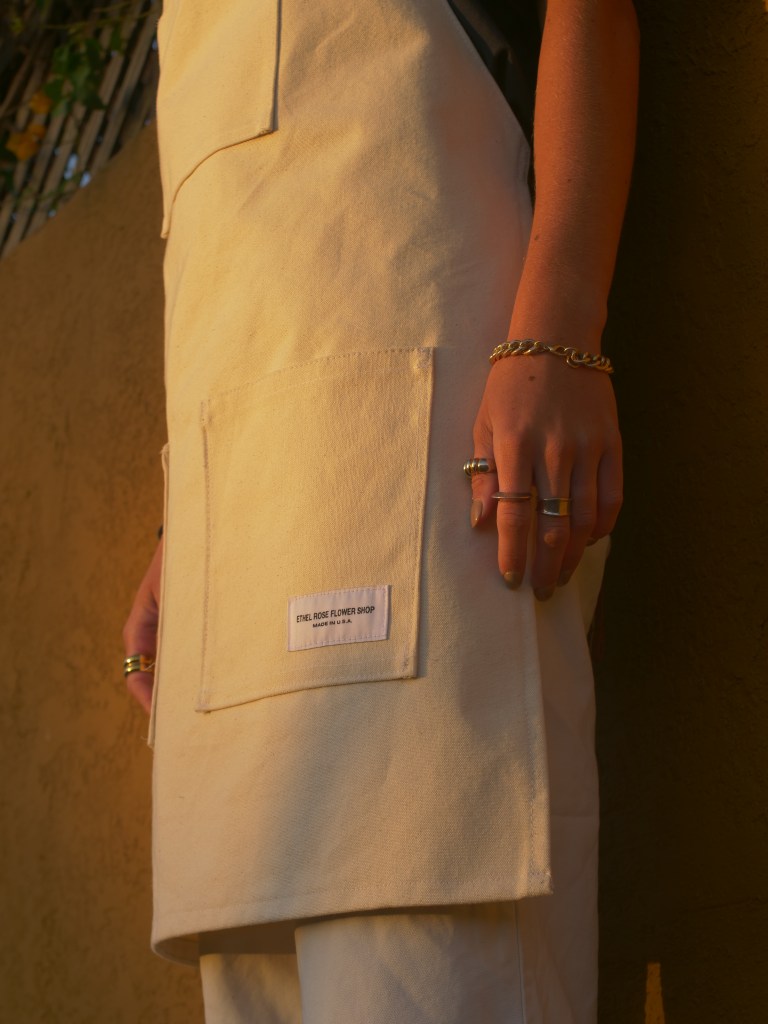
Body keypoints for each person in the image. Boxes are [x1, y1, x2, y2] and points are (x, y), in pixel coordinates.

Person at [123, 0, 638, 1020]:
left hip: (438, 496)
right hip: (236, 576)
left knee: (438, 909)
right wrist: (191, 520)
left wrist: (561, 329)